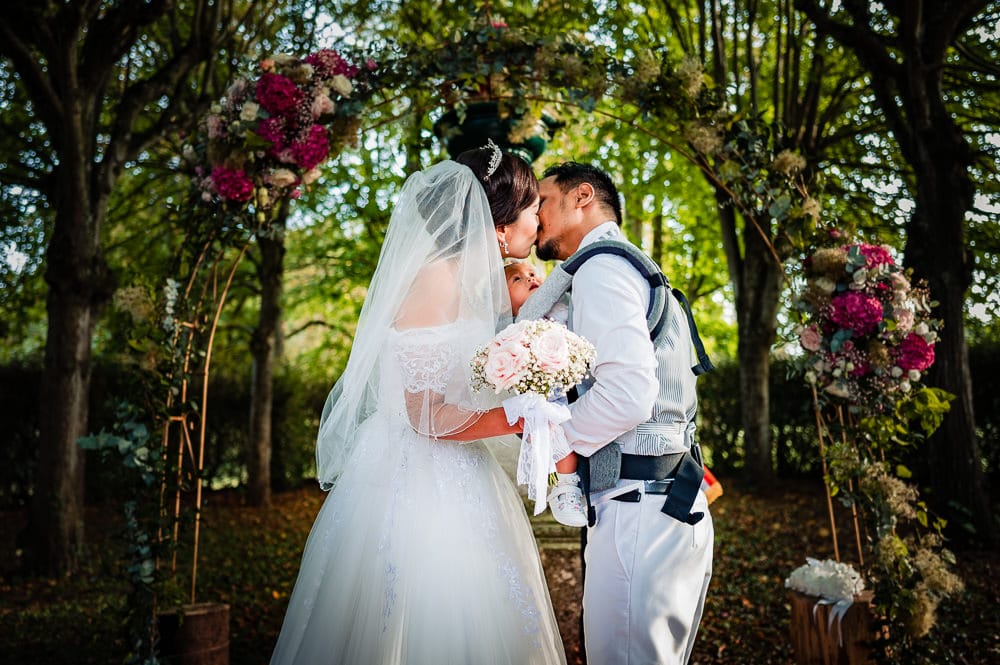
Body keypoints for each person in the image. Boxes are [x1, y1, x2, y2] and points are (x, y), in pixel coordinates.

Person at [269, 142, 566, 665]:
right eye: (532, 209)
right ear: (500, 225)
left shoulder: (473, 279)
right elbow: (424, 411)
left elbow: (466, 377)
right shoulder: (436, 279)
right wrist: (518, 416)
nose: (539, 218)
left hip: (459, 468)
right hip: (417, 479)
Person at [526, 162, 714, 665]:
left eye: (541, 200)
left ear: (581, 196)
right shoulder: (627, 264)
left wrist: (555, 448)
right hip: (665, 503)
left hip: (640, 512)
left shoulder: (602, 269)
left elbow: (630, 394)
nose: (533, 213)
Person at [504, 261, 587, 527]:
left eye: (532, 274)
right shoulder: (516, 323)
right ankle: (565, 488)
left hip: (573, 385)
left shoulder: (560, 308)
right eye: (517, 279)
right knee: (555, 434)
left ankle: (567, 485)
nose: (529, 278)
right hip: (542, 393)